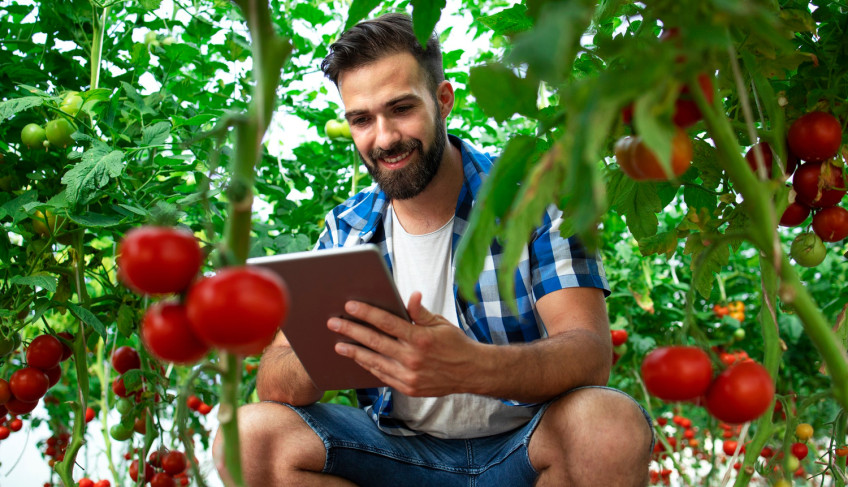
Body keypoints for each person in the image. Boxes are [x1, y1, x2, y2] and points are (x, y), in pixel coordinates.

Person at [215, 12, 654, 487]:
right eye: (361, 119)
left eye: (401, 108)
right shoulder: (347, 228)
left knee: (607, 426)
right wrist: (337, 343)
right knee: (248, 437)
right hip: (398, 453)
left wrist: (472, 366)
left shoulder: (537, 201)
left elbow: (590, 353)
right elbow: (274, 381)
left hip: (525, 447)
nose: (383, 138)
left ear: (443, 101)